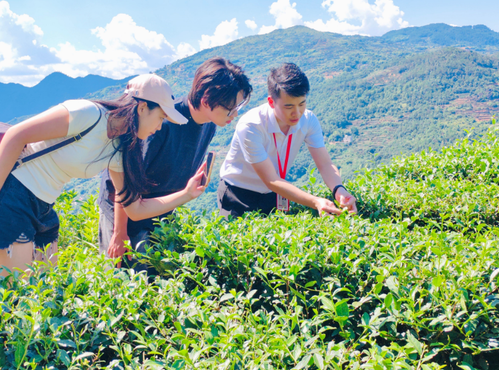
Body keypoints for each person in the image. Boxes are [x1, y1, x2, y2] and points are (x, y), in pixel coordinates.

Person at [0, 73, 206, 276]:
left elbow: (134, 209)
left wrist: (187, 194)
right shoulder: (88, 114)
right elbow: (15, 135)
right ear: (143, 108)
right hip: (15, 194)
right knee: (16, 288)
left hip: (44, 207)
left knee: (41, 290)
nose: (160, 126)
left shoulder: (120, 147)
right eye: (161, 117)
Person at [98, 57, 252, 269]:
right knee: (124, 284)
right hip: (124, 212)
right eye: (230, 109)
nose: (234, 115)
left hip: (158, 213)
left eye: (238, 108)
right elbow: (122, 178)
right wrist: (119, 232)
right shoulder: (161, 122)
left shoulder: (209, 123)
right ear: (207, 101)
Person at [218, 63, 357, 217]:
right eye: (289, 106)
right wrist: (316, 201)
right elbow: (271, 180)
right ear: (271, 102)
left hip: (275, 192)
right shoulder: (251, 125)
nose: (296, 113)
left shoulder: (308, 120)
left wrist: (339, 190)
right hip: (238, 193)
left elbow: (325, 164)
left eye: (302, 104)